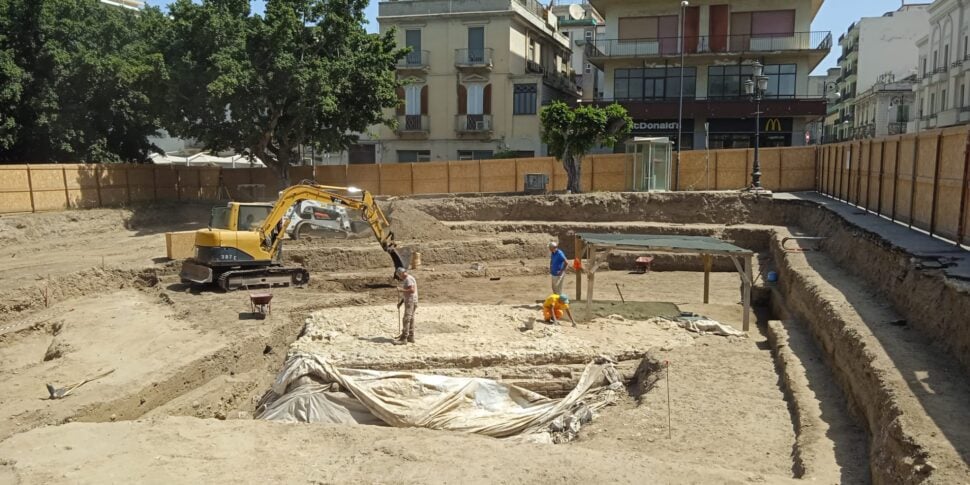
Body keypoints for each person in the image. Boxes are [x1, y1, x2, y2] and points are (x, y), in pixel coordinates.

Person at [394, 267, 418, 345]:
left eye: (399, 275)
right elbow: (407, 293)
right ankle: (410, 336)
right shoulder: (407, 279)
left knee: (406, 319)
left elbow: (412, 290)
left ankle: (404, 338)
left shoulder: (408, 279)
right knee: (411, 319)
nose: (399, 277)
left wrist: (401, 290)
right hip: (411, 301)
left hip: (410, 301)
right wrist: (401, 303)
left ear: (401, 273)